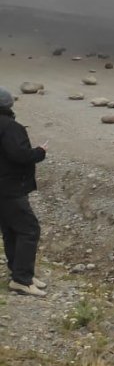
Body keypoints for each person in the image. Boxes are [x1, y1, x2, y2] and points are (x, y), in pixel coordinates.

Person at [0, 87, 48, 296]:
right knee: (29, 230)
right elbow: (19, 154)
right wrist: (39, 152)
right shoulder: (11, 127)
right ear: (8, 105)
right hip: (11, 188)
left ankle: (19, 272)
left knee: (11, 230)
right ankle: (22, 279)